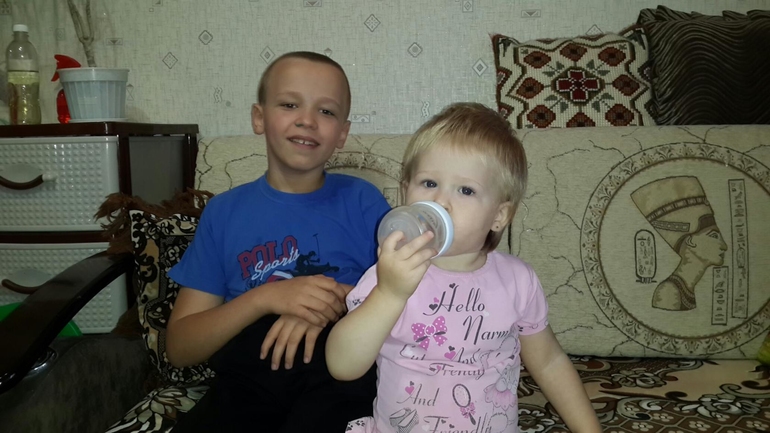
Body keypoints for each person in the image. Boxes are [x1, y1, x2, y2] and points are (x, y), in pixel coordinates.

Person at [326, 103, 601, 433]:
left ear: (499, 215)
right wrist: (389, 294)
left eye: (466, 190)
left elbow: (548, 361)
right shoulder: (389, 275)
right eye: (429, 183)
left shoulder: (517, 282)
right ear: (405, 191)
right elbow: (342, 365)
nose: (440, 201)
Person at [167, 51, 391, 432]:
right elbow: (180, 347)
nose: (307, 120)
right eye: (289, 104)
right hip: (250, 376)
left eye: (326, 111)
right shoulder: (224, 213)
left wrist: (333, 301)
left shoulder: (364, 202)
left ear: (342, 133)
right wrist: (267, 298)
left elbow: (410, 298)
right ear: (259, 117)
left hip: (339, 371)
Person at [631, 176, 728, 311]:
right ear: (691, 241)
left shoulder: (686, 288)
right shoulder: (669, 292)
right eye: (714, 236)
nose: (724, 246)